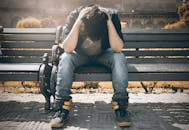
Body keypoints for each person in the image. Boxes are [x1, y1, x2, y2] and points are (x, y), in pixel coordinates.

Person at [49, 4, 130, 128]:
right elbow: (68, 48)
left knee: (119, 57)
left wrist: (109, 24)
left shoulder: (111, 16)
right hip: (80, 55)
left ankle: (120, 106)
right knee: (65, 58)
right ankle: (61, 108)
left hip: (103, 54)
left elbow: (117, 48)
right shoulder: (75, 16)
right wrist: (77, 23)